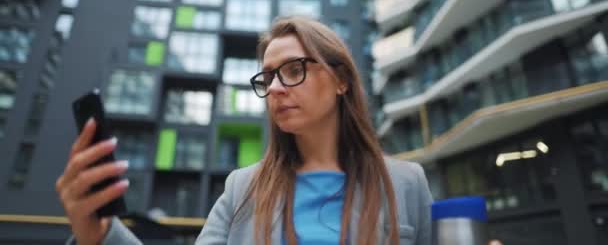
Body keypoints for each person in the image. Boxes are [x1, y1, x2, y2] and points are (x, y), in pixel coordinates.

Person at [56, 16, 434, 245]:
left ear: (340, 80)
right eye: (267, 78)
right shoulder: (243, 187)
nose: (275, 88)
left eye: (293, 69)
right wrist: (98, 234)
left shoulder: (407, 182)